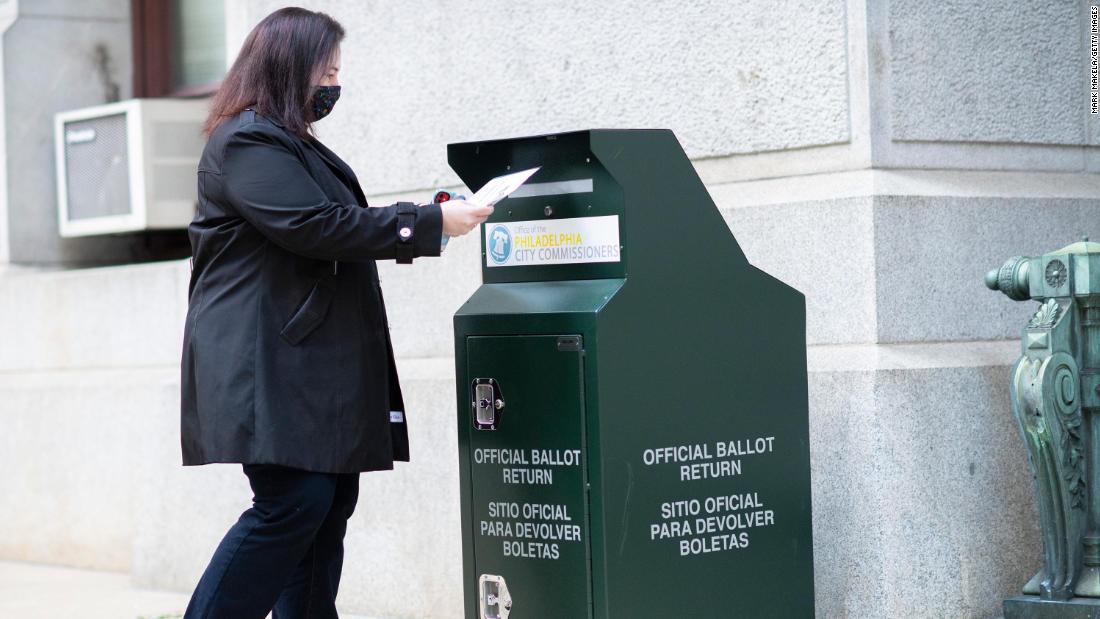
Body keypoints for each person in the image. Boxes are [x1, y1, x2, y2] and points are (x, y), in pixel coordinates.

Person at [179, 7, 492, 618]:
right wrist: (426, 223)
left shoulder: (286, 144)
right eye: (325, 70)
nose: (333, 84)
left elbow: (331, 227)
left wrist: (430, 219)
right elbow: (314, 225)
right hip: (268, 369)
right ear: (289, 68)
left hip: (303, 369)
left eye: (338, 70)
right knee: (293, 504)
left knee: (323, 510)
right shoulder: (247, 140)